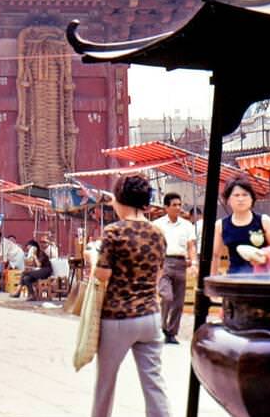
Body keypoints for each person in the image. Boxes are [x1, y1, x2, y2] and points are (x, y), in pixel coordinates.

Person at [91, 174, 170, 417]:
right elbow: (159, 273)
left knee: (106, 382)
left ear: (120, 200)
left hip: (118, 316)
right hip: (151, 316)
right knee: (153, 383)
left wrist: (92, 259)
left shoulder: (113, 232)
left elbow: (102, 274)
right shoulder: (158, 233)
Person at [212, 177, 270, 274]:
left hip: (263, 278)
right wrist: (212, 279)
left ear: (252, 199)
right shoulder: (221, 225)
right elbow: (215, 256)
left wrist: (264, 255)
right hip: (235, 278)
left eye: (245, 195)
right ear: (228, 200)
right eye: (236, 195)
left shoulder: (264, 221)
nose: (241, 199)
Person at [153, 192, 197, 343]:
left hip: (181, 264)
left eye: (180, 205)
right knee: (166, 296)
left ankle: (171, 333)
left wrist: (194, 263)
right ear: (166, 207)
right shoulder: (157, 225)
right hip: (163, 263)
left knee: (178, 302)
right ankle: (161, 327)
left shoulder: (187, 225)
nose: (178, 208)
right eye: (174, 205)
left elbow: (191, 246)